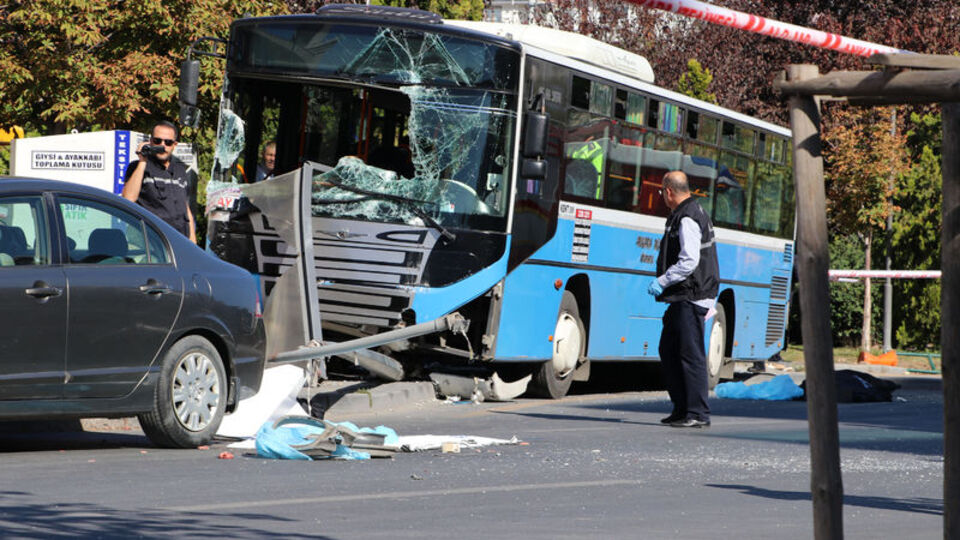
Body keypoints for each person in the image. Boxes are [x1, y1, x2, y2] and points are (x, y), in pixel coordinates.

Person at [647, 170, 719, 428]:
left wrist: (662, 280)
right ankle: (681, 408)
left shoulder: (688, 217)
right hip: (683, 296)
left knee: (690, 355)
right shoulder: (686, 212)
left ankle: (697, 413)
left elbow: (689, 261)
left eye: (661, 192)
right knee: (668, 350)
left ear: (668, 191)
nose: (661, 197)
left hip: (691, 294)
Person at [121, 121, 196, 243]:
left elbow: (185, 207)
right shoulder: (138, 167)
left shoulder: (180, 169)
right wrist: (142, 161)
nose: (162, 145)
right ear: (150, 141)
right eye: (157, 141)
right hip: (149, 241)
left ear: (174, 145)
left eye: (168, 142)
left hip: (179, 241)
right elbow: (128, 199)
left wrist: (192, 239)